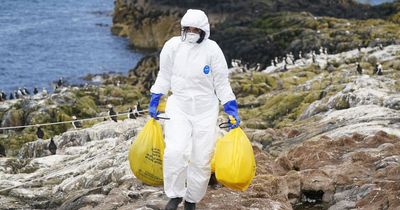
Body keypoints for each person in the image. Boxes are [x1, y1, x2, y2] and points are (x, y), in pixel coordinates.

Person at [148, 9, 240, 210]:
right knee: (175, 152)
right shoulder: (172, 46)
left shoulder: (213, 50)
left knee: (201, 159)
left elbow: (222, 83)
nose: (190, 32)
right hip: (178, 106)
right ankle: (174, 195)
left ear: (203, 31)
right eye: (187, 28)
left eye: (195, 29)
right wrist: (155, 97)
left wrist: (230, 108)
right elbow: (164, 75)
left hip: (205, 110)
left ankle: (191, 200)